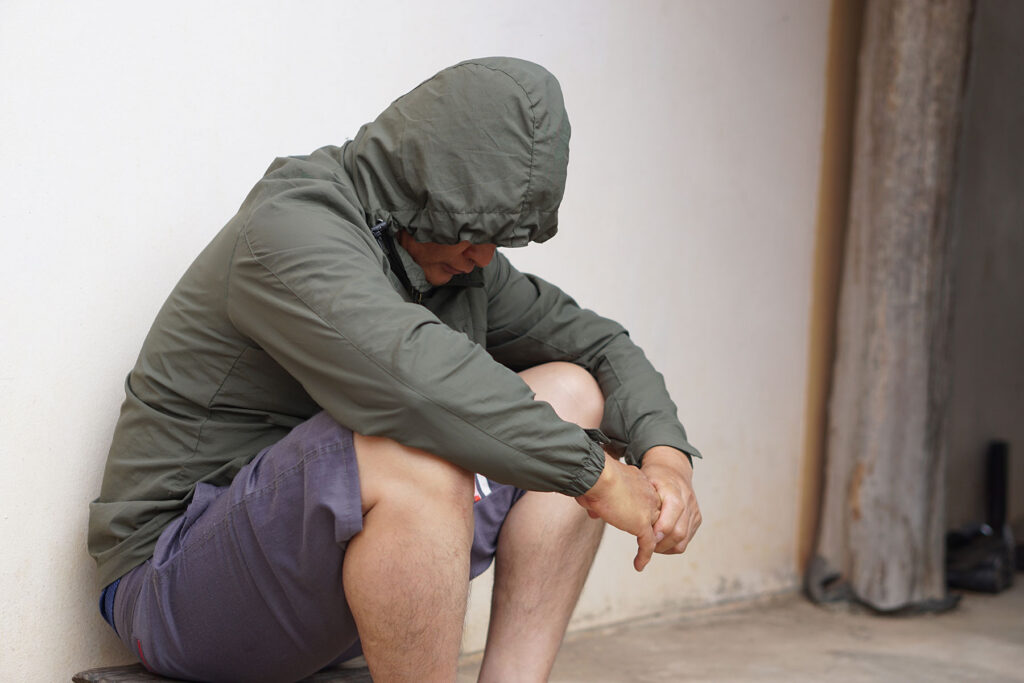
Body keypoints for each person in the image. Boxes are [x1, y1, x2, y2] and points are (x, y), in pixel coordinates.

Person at [88, 57, 702, 683]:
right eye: (472, 226)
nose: (483, 253)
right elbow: (414, 383)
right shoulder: (291, 227)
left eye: (499, 236)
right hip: (176, 591)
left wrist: (663, 458)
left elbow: (596, 344)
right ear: (425, 183)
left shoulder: (453, 260)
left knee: (573, 393)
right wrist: (597, 475)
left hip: (320, 597)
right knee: (416, 444)